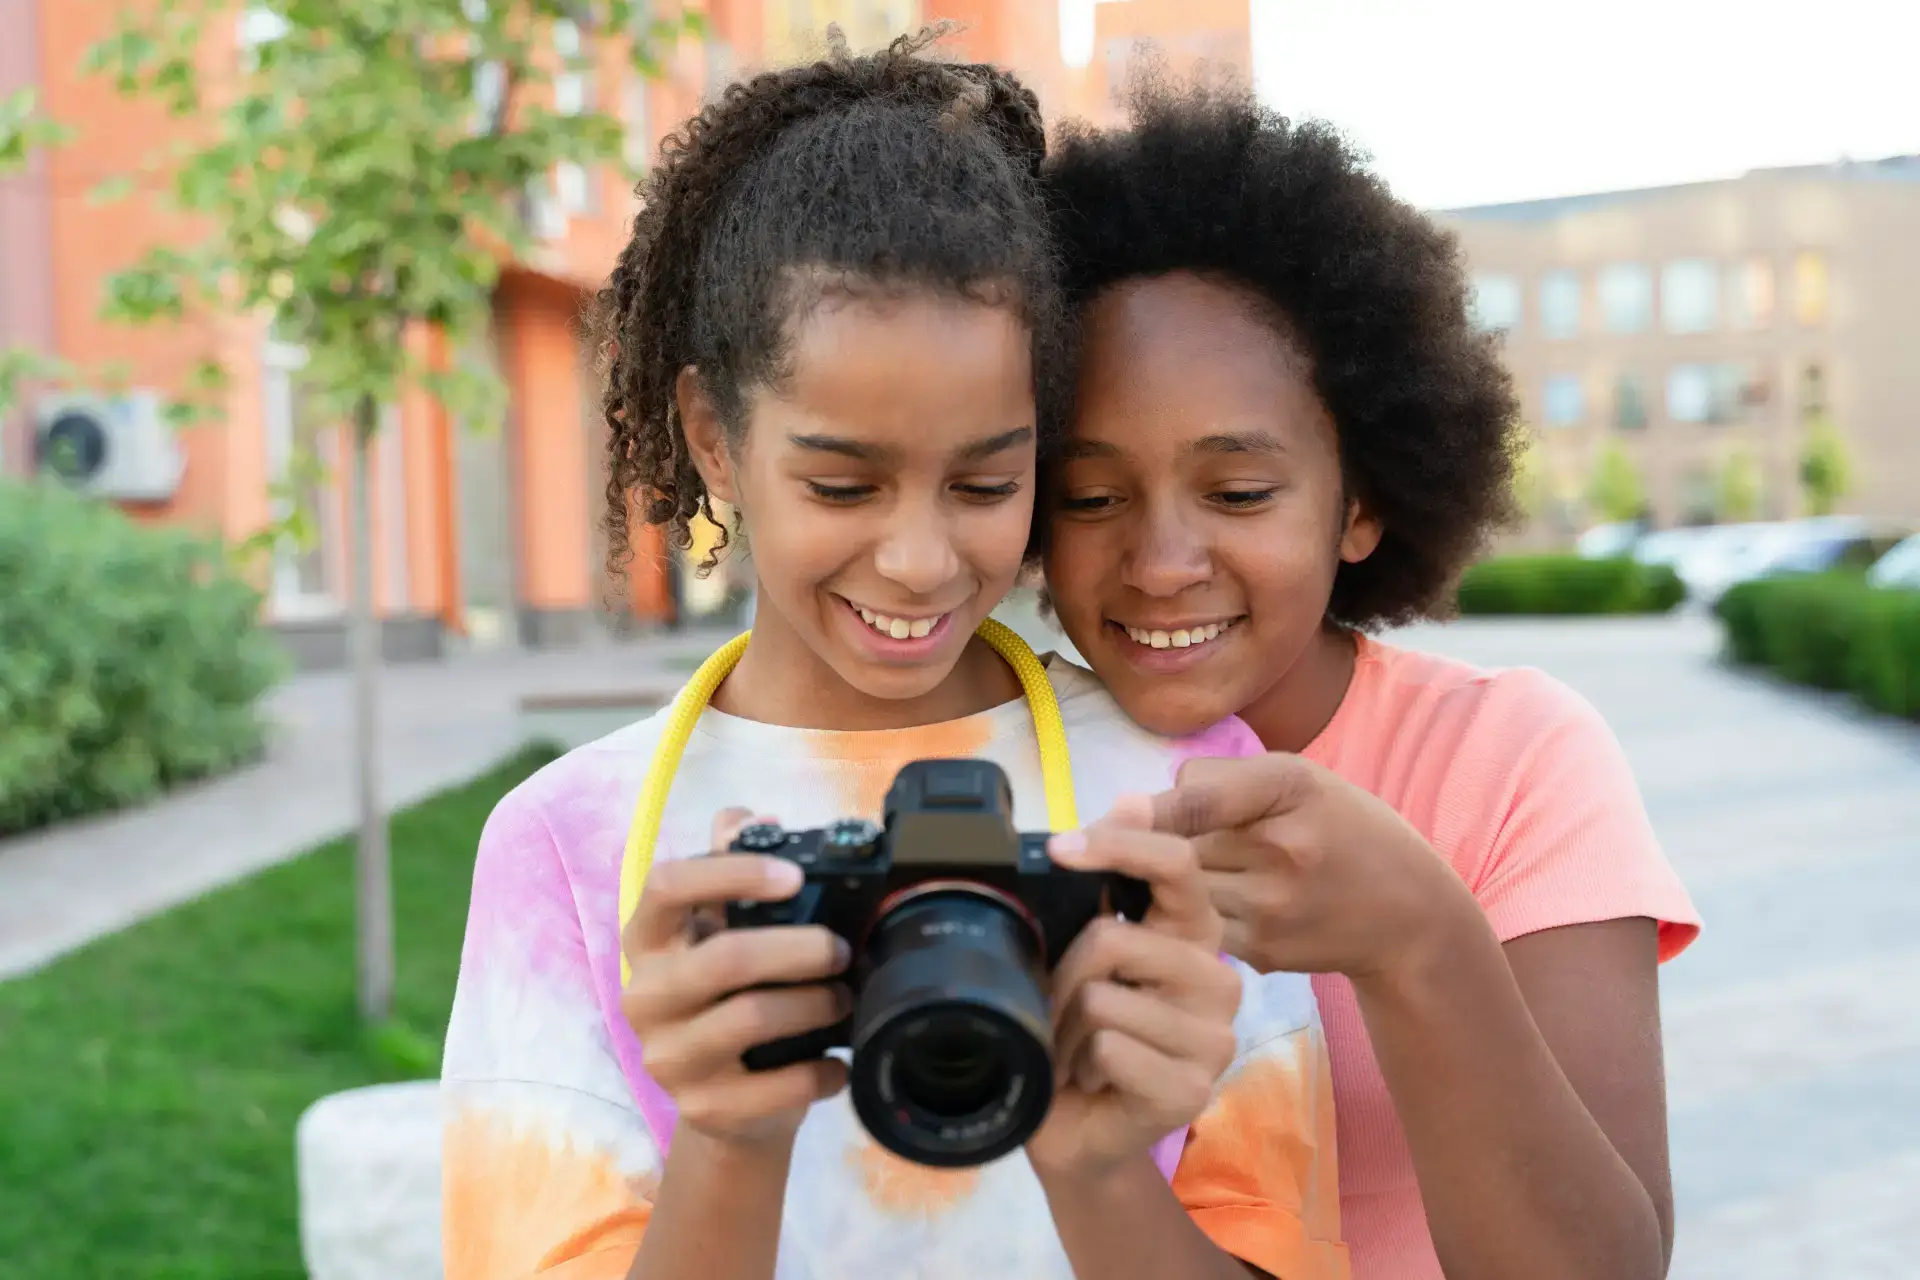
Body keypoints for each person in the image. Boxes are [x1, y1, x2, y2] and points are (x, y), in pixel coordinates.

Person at [441, 34, 1346, 1280]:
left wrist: (1094, 1165)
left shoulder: (1181, 795)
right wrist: (729, 1142)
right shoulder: (570, 844)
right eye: (843, 479)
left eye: (987, 479)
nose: (920, 559)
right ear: (714, 438)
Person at [1038, 84, 1702, 1280]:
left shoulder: (1509, 758)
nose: (1161, 561)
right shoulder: (991, 759)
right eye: (1090, 496)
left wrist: (1413, 935)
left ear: (1363, 501)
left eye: (1239, 493)